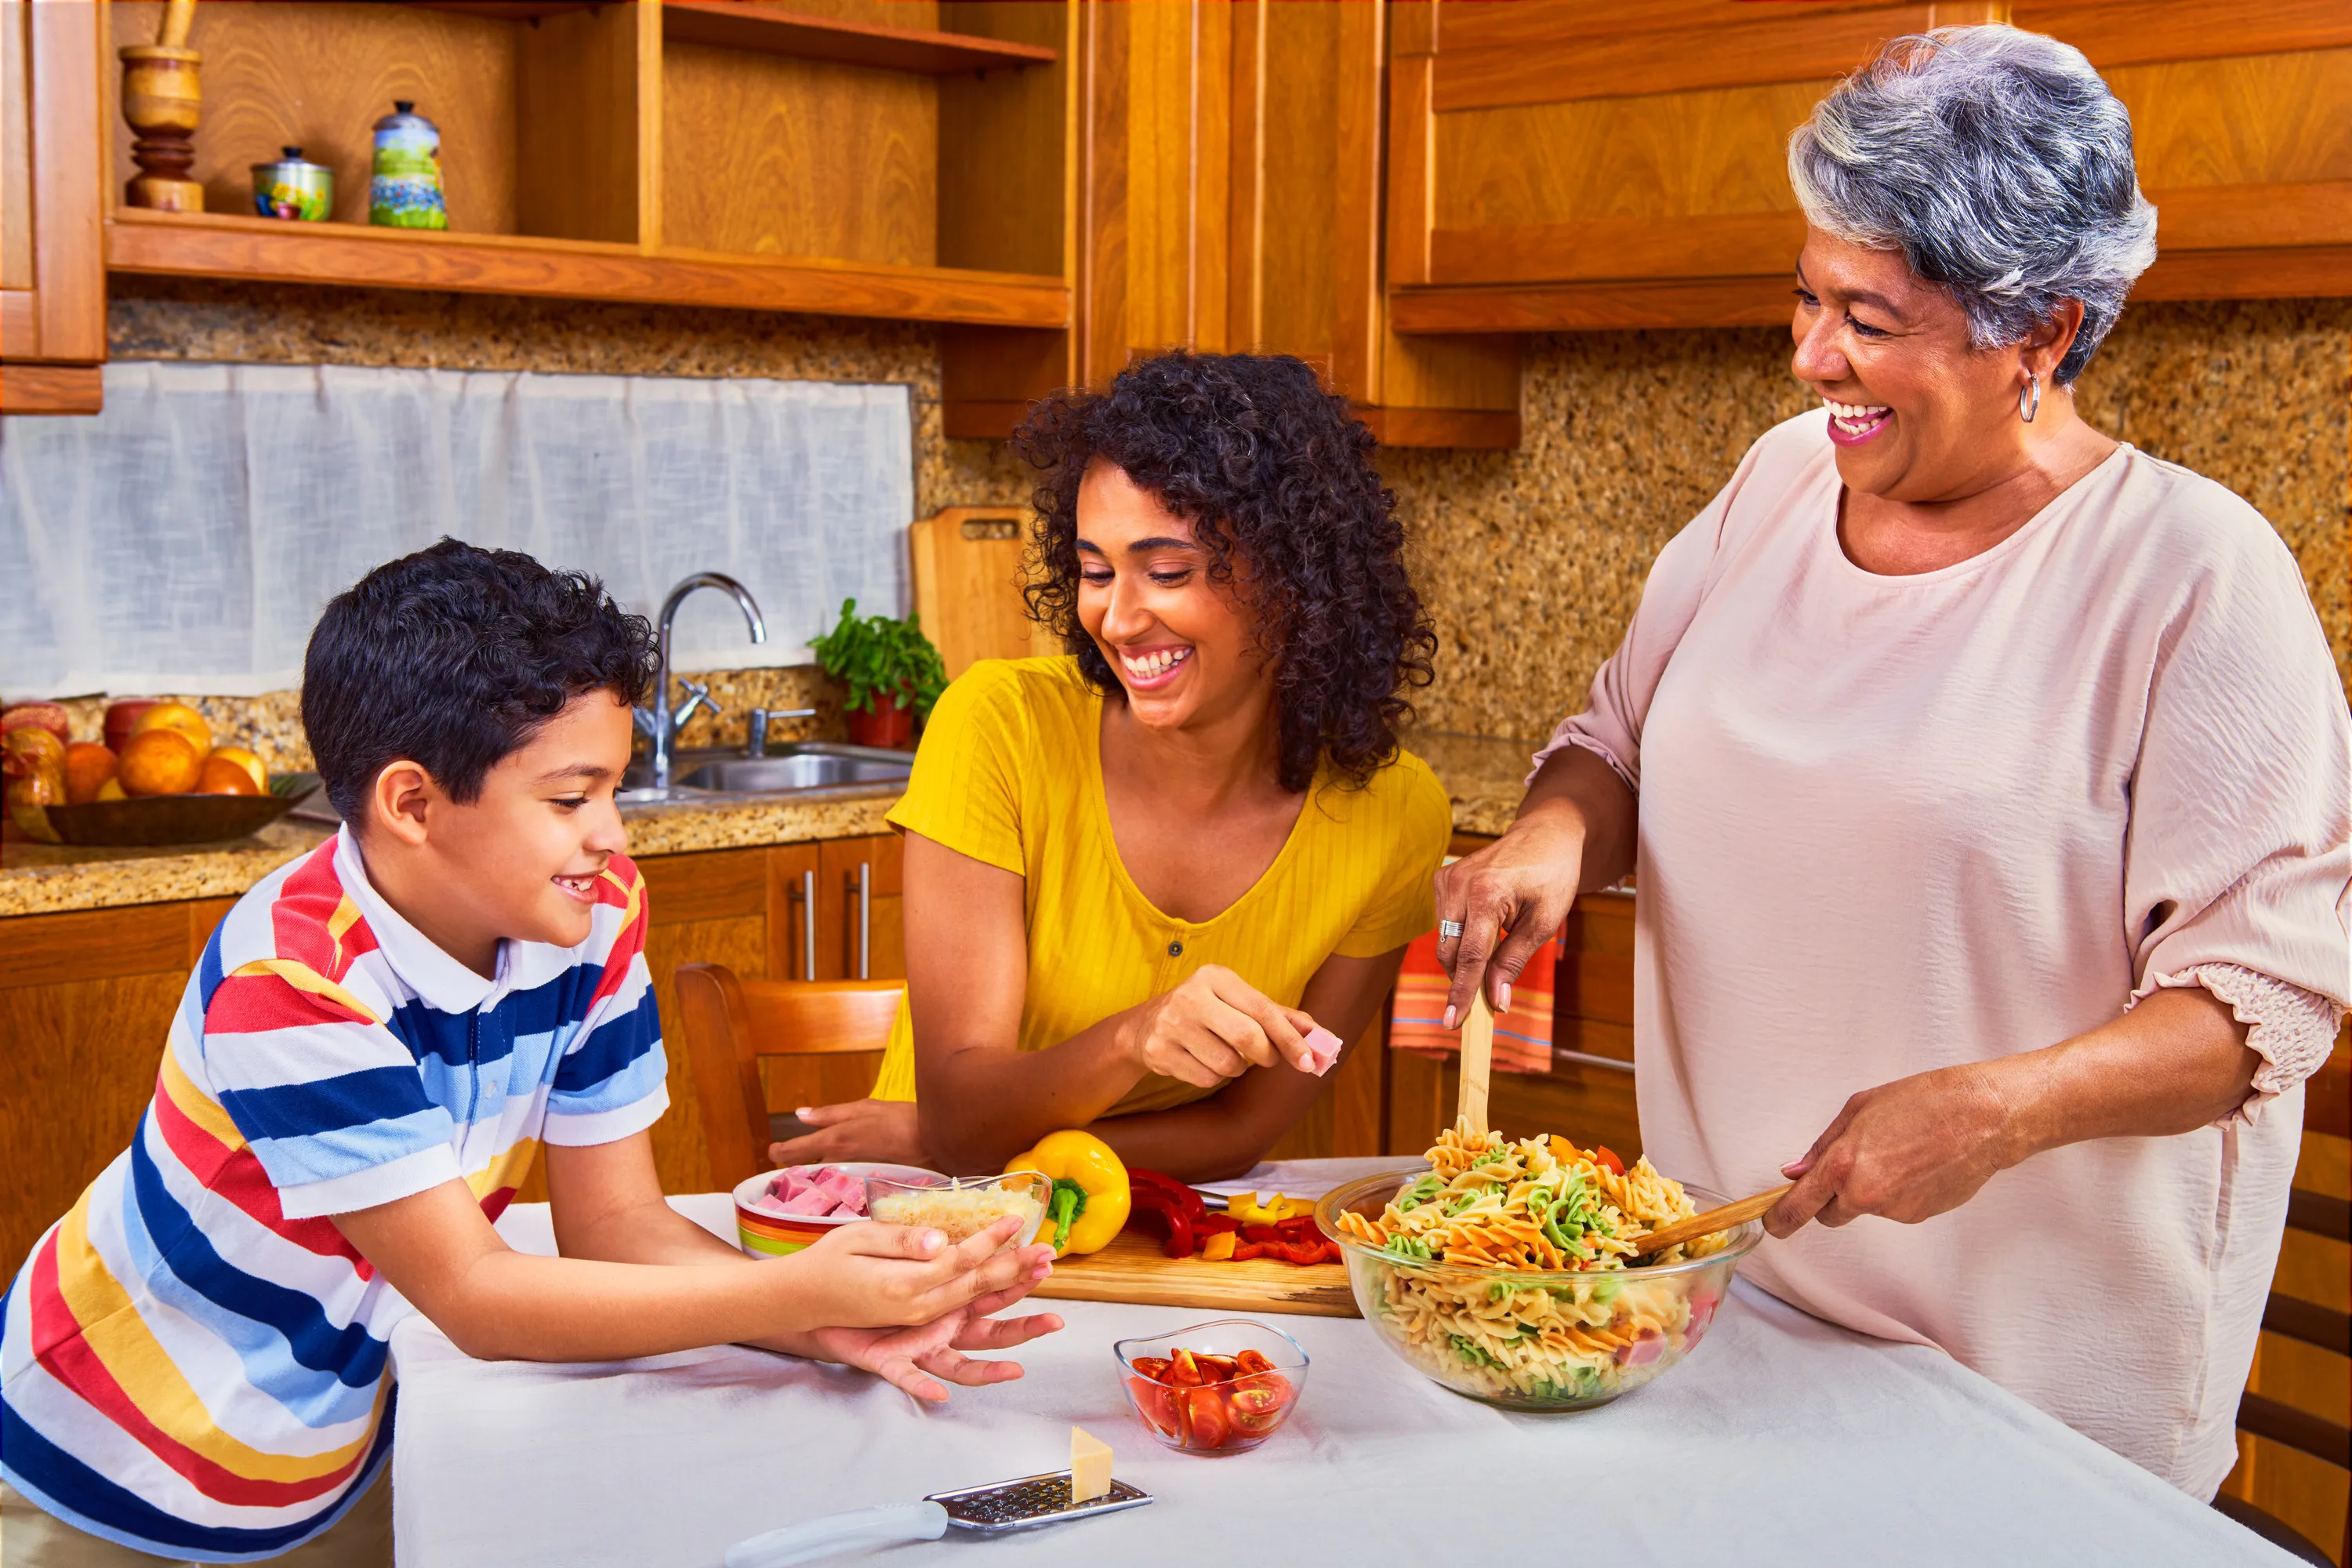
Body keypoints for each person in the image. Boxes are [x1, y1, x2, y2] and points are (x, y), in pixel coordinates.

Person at [1435, 25, 2348, 1497]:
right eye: (1806, 297)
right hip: (1727, 1320)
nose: (1811, 357)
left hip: (2033, 1407)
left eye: (1869, 315)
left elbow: (2266, 1001)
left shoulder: (2190, 575)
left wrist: (2004, 1108)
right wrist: (1556, 834)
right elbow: (1617, 741)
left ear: (2042, 333)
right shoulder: (1778, 486)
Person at [0, 542, 1059, 1565]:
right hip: (106, 1455)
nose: (616, 834)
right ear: (411, 802)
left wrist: (828, 1322)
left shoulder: (590, 919)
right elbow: (477, 1294)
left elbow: (621, 1228)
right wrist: (800, 1294)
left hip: (336, 1456)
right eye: (571, 798)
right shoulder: (295, 983)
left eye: (610, 790)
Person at [779, 352, 1452, 1179]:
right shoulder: (1001, 728)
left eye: (1166, 572)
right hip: (943, 1225)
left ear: (1294, 580)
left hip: (1162, 1223)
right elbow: (961, 1124)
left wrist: (1016, 1151)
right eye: (1095, 570)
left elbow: (1243, 1131)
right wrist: (1138, 1035)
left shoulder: (1395, 816)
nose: (1118, 616)